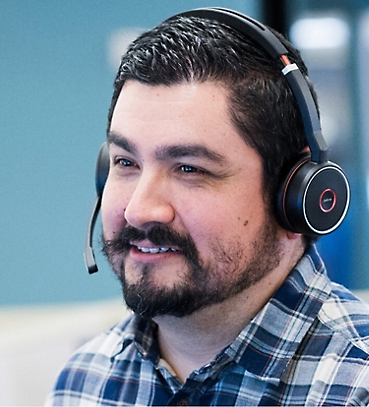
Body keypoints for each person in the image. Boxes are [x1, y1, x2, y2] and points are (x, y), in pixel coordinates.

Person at [46, 8, 369, 406]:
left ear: (295, 193)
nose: (139, 210)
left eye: (189, 168)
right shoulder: (84, 381)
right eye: (125, 163)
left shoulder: (357, 386)